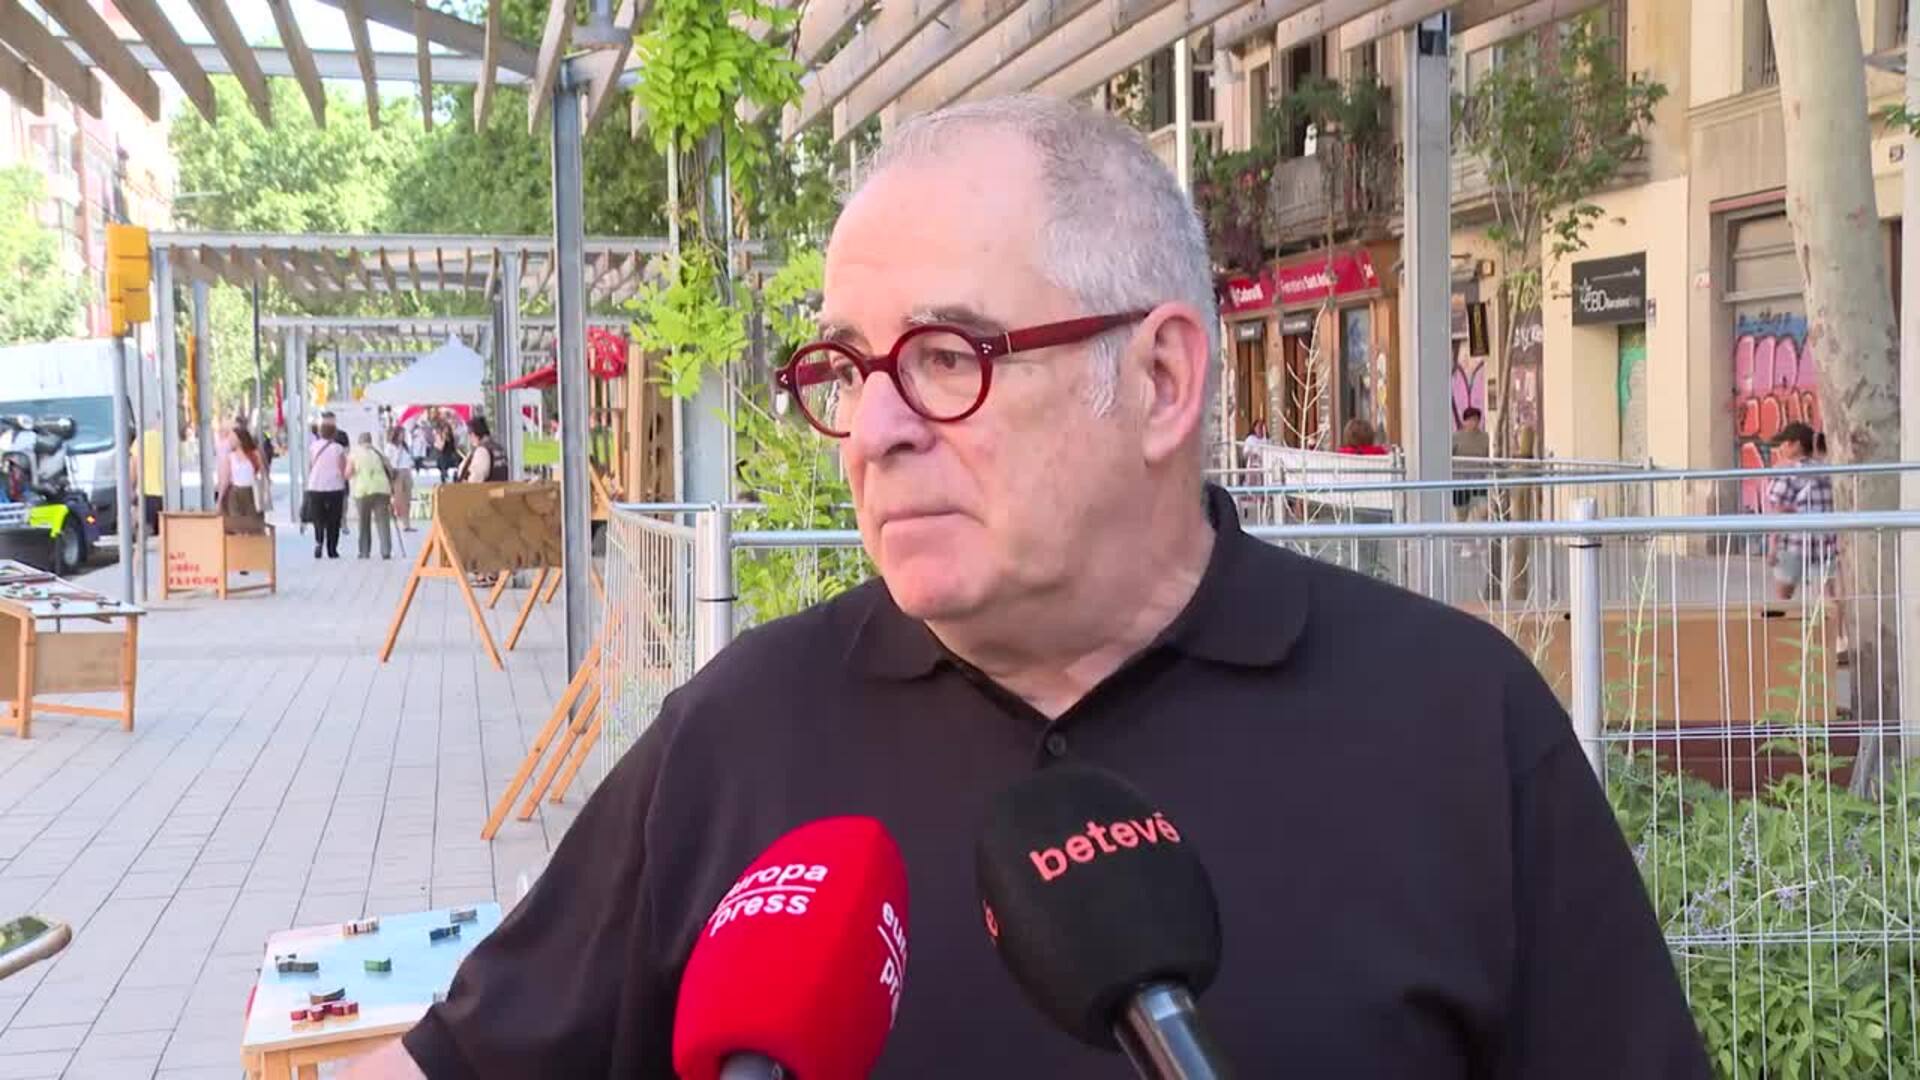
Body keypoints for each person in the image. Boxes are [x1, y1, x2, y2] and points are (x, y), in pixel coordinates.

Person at [348, 95, 1706, 1079]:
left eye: (946, 358)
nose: (875, 430)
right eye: (846, 370)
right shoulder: (740, 732)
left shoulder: (1454, 724)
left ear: (1161, 379)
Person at [1766, 422, 1846, 652]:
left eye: (1784, 443)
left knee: (1783, 594)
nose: (1781, 448)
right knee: (1828, 593)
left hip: (1793, 542)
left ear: (1796, 445)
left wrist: (1772, 546)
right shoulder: (1826, 471)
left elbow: (1778, 510)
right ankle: (1836, 640)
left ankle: (1779, 640)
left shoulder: (1787, 472)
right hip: (1824, 541)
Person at [306, 411, 348, 559]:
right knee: (334, 519)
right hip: (334, 487)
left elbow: (311, 465)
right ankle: (332, 549)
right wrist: (345, 480)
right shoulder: (338, 448)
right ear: (334, 433)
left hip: (315, 486)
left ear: (320, 432)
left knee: (318, 518)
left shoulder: (313, 447)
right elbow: (343, 468)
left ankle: (318, 541)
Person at [348, 432, 393, 560]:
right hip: (382, 489)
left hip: (363, 490)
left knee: (364, 522)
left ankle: (364, 551)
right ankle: (386, 550)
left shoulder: (355, 454)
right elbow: (390, 470)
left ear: (359, 442)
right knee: (383, 521)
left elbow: (348, 472)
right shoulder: (379, 454)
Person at [217, 425, 266, 535]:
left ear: (239, 439)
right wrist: (220, 499)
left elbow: (262, 473)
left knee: (253, 523)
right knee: (237, 524)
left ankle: (253, 543)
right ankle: (240, 542)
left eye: (232, 438)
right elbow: (225, 480)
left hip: (251, 492)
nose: (230, 441)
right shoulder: (230, 456)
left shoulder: (254, 454)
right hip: (235, 493)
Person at [1451, 407, 1491, 524]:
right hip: (1460, 481)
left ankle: (1481, 533)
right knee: (1462, 513)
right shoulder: (1456, 437)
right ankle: (1461, 533)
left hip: (1479, 480)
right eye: (1470, 419)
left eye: (1476, 420)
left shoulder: (1485, 437)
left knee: (1483, 510)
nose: (1473, 423)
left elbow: (1488, 455)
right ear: (1465, 421)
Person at [454, 415, 507, 484]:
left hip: (488, 490)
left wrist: (466, 482)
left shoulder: (482, 451)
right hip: (501, 488)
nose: (470, 439)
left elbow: (476, 479)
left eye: (470, 434)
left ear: (473, 434)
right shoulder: (498, 448)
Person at [385, 426, 416, 533]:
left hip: (406, 471)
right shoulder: (390, 446)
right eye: (401, 434)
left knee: (407, 499)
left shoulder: (405, 446)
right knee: (399, 499)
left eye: (403, 434)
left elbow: (409, 459)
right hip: (396, 472)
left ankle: (407, 524)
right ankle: (400, 519)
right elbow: (388, 461)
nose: (402, 436)